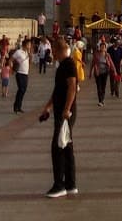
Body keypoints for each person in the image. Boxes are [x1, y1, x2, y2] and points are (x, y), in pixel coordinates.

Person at [37, 38, 79, 198]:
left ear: (61, 50)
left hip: (65, 113)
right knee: (66, 147)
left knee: (57, 147)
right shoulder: (62, 66)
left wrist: (67, 109)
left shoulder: (68, 64)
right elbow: (57, 91)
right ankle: (70, 184)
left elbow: (72, 87)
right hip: (61, 111)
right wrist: (47, 107)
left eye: (54, 50)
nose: (52, 53)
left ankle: (59, 185)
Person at [89, 40, 114, 106]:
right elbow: (92, 63)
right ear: (99, 47)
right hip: (97, 73)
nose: (102, 48)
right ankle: (100, 101)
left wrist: (114, 71)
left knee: (103, 87)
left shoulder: (107, 55)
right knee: (99, 87)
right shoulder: (96, 54)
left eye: (104, 47)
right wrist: (90, 73)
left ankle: (102, 100)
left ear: (105, 48)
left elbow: (111, 63)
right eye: (101, 47)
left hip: (105, 73)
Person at [10, 38, 31, 113]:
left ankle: (19, 106)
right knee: (21, 89)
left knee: (23, 90)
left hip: (25, 74)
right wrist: (11, 68)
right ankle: (16, 106)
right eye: (29, 44)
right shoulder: (18, 52)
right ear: (25, 45)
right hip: (19, 73)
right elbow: (11, 60)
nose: (30, 46)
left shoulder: (27, 53)